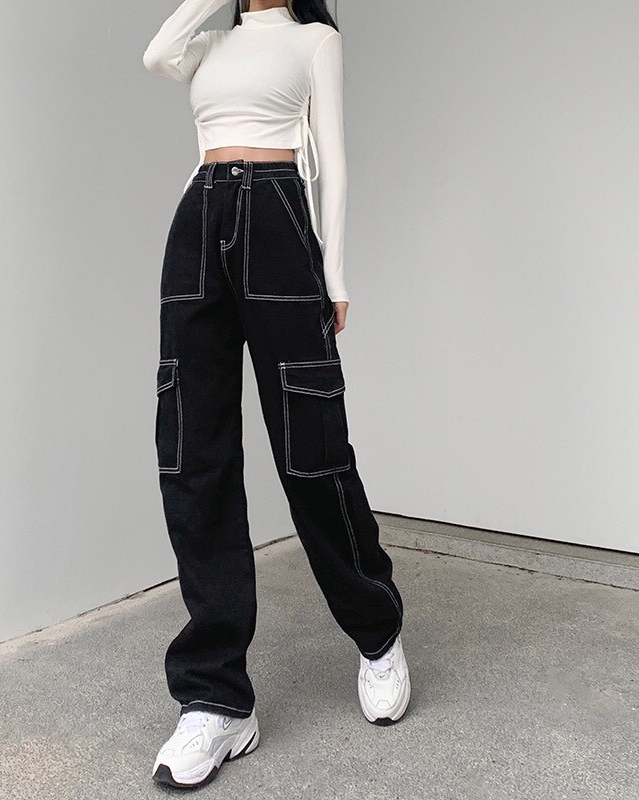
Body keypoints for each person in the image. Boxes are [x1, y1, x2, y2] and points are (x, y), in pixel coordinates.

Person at [143, 0, 410, 788]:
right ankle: (217, 701)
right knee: (193, 455)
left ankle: (378, 634)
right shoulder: (208, 40)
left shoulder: (313, 40)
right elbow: (157, 54)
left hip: (279, 220)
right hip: (198, 225)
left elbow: (334, 154)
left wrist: (335, 274)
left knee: (312, 450)